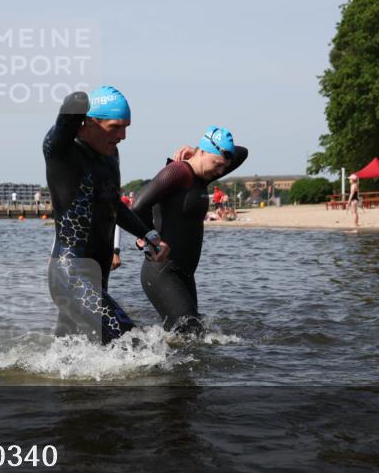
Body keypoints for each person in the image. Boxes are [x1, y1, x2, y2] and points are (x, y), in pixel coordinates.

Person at [43, 87, 169, 344]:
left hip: (97, 275)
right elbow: (69, 111)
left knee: (73, 351)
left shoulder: (110, 156)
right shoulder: (62, 152)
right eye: (115, 127)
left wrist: (148, 233)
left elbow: (114, 205)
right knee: (130, 342)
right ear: (89, 122)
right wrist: (83, 99)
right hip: (70, 274)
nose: (122, 136)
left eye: (126, 127)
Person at [132, 127, 248, 334]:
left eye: (224, 167)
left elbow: (243, 152)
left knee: (189, 338)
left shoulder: (202, 177)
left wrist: (197, 151)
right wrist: (151, 238)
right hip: (162, 271)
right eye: (218, 165)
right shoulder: (178, 172)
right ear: (203, 152)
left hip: (185, 274)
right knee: (191, 333)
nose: (220, 172)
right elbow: (138, 206)